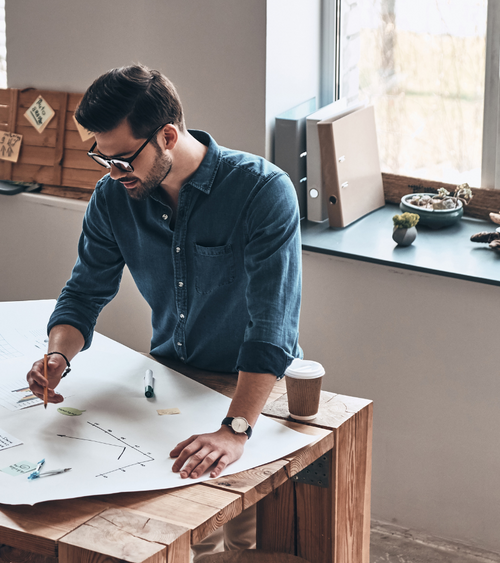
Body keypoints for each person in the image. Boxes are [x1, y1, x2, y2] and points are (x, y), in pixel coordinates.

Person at [25, 65, 301, 557]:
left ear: (168, 135)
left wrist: (235, 430)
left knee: (249, 540)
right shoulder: (114, 197)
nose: (113, 173)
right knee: (178, 534)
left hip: (253, 390)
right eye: (101, 158)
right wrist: (58, 357)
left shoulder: (262, 192)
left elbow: (272, 328)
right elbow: (84, 293)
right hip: (170, 381)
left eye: (123, 159)